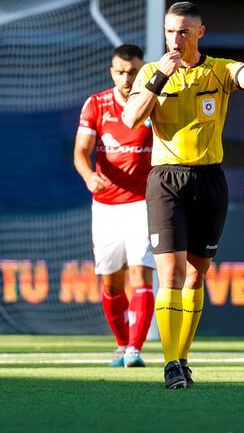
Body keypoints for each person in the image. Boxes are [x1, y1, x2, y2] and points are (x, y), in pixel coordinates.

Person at [122, 1, 244, 389]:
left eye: (184, 31)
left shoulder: (217, 70)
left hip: (209, 181)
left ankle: (182, 357)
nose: (176, 38)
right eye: (170, 31)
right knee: (169, 272)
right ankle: (170, 364)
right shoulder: (153, 72)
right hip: (166, 179)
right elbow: (132, 118)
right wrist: (158, 81)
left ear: (200, 33)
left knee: (197, 276)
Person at [74, 44, 156, 368]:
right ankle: (122, 344)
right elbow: (81, 152)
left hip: (143, 204)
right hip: (105, 205)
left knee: (141, 274)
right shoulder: (96, 104)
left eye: (133, 72)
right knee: (111, 282)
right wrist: (89, 176)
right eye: (120, 72)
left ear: (142, 71)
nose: (126, 78)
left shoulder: (153, 103)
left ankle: (136, 349)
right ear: (111, 72)